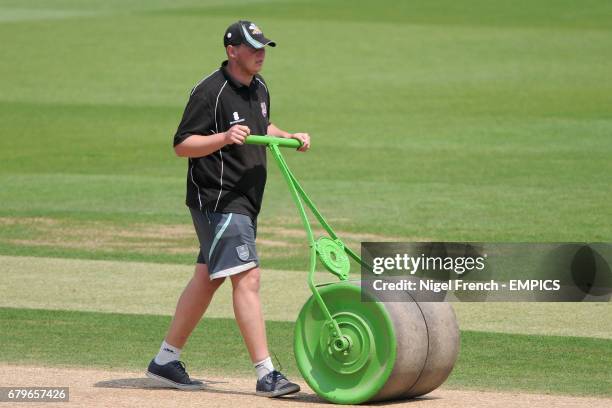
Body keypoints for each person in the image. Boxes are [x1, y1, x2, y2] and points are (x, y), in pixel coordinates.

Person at [145, 20, 310, 397]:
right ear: (231, 50)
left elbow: (262, 124)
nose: (260, 53)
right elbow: (182, 145)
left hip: (246, 200)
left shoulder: (260, 86)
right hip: (218, 199)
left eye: (263, 46)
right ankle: (266, 373)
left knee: (209, 277)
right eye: (253, 47)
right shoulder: (209, 92)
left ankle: (166, 361)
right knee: (247, 277)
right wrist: (222, 138)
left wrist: (289, 137)